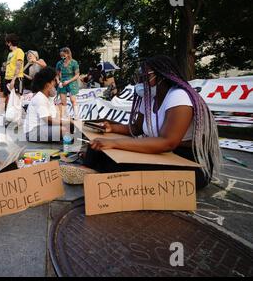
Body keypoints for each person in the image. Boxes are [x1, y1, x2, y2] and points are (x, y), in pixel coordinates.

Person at [84, 55, 222, 190]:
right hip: (164, 155)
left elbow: (168, 142)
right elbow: (137, 128)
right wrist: (111, 128)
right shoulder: (149, 98)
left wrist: (114, 143)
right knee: (96, 148)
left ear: (161, 76)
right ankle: (89, 173)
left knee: (117, 166)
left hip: (189, 163)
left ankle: (95, 177)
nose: (140, 82)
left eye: (144, 77)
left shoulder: (179, 96)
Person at [24, 67, 73, 142]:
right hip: (33, 132)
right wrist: (67, 122)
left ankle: (69, 140)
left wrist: (68, 121)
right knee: (63, 130)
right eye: (54, 81)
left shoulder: (48, 98)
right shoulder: (39, 98)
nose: (56, 84)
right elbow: (48, 120)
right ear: (47, 85)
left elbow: (55, 117)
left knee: (69, 126)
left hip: (43, 127)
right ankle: (69, 148)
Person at [56, 47, 80, 119]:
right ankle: (65, 115)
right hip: (63, 82)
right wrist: (58, 81)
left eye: (64, 55)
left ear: (68, 54)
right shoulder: (59, 63)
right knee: (63, 101)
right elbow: (57, 75)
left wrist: (68, 81)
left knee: (73, 100)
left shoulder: (74, 62)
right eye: (61, 56)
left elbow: (77, 75)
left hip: (72, 82)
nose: (62, 57)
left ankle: (76, 115)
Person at [4, 34, 25, 98]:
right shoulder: (10, 53)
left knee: (17, 99)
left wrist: (13, 80)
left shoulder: (19, 51)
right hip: (7, 78)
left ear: (10, 42)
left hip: (16, 78)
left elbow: (18, 66)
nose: (6, 44)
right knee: (10, 99)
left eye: (7, 42)